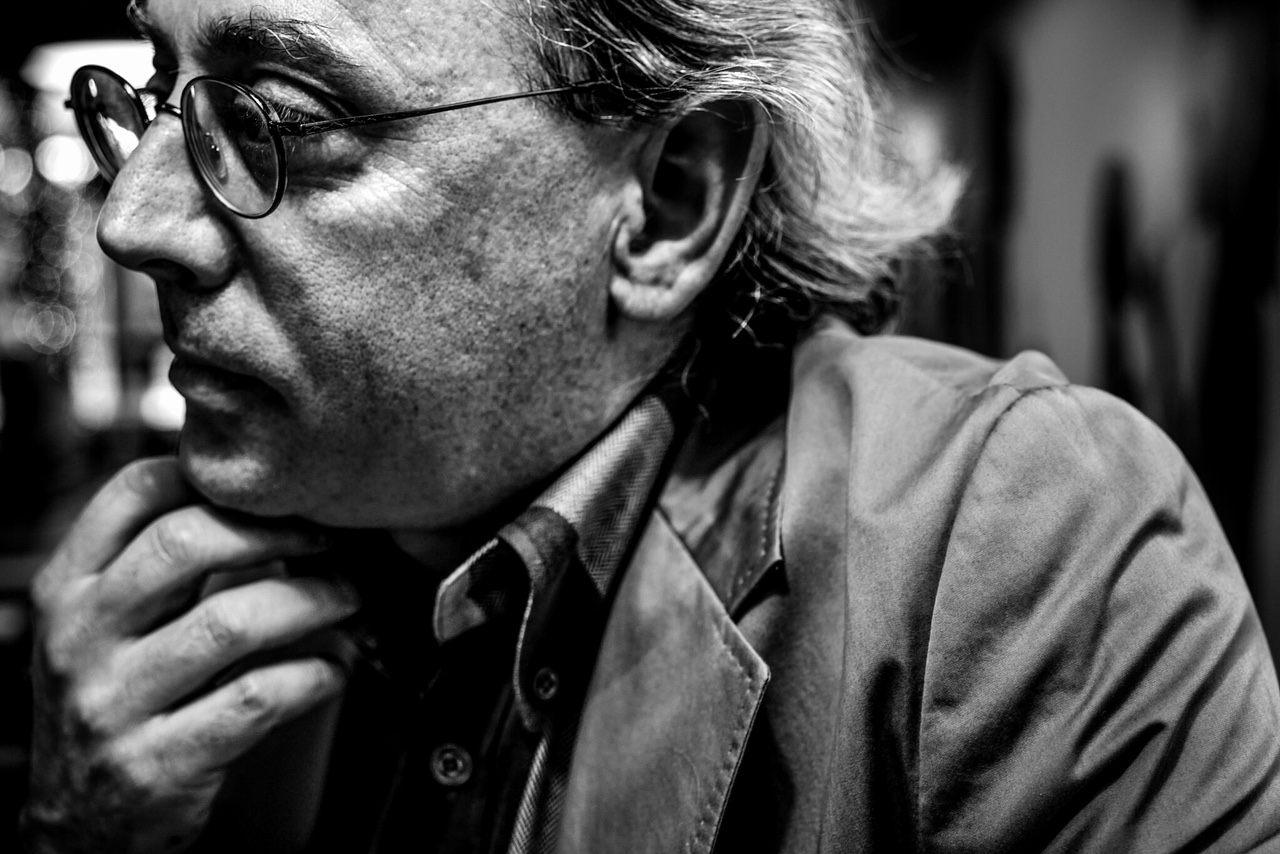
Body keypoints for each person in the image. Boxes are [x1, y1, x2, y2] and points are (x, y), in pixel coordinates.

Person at [20, 0, 1280, 850]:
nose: (131, 220)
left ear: (671, 200)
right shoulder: (160, 597)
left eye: (279, 119)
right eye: (164, 93)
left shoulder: (1008, 541)